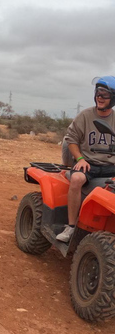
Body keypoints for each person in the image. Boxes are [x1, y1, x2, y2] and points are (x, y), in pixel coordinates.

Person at [57, 76, 115, 242]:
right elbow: (71, 139)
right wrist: (80, 158)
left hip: (110, 166)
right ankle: (71, 227)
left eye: (104, 94)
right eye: (98, 93)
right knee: (76, 179)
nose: (99, 97)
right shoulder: (85, 116)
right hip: (89, 164)